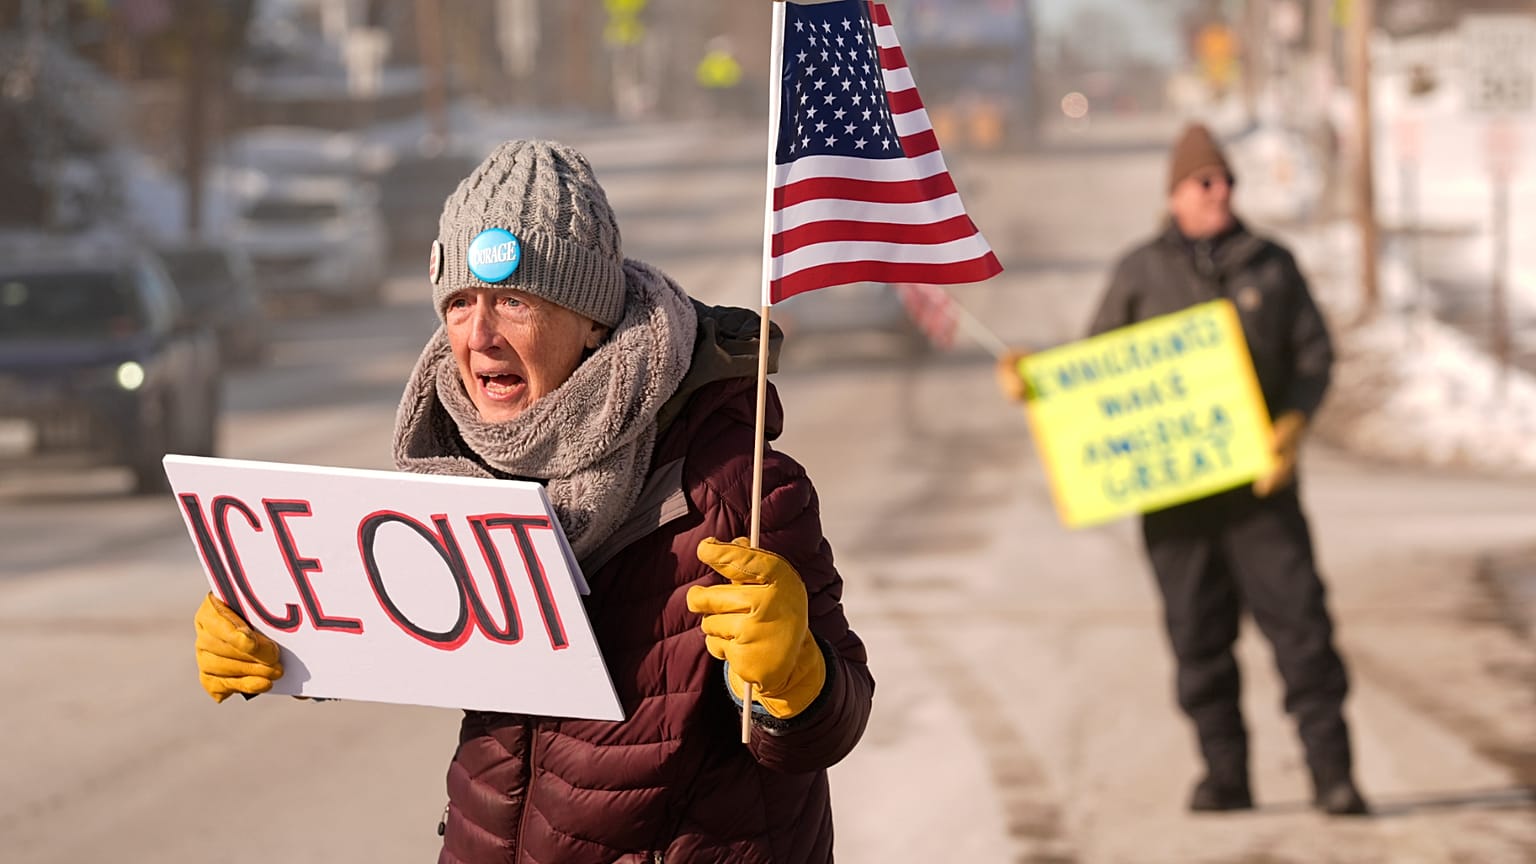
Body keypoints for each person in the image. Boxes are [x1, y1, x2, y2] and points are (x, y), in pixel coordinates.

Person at [192, 138, 875, 861]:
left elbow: (832, 725)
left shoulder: (734, 483)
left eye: (512, 300)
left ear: (590, 320)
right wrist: (284, 630)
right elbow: (405, 632)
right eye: (459, 302)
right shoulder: (459, 469)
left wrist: (794, 676)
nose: (479, 335)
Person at [997, 122, 1367, 816]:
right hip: (1174, 499)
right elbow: (1097, 375)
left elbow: (1314, 358)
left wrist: (1292, 424)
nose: (1220, 190)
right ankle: (1225, 776)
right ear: (1176, 193)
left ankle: (1333, 776)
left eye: (1226, 179)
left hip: (1263, 493)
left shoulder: (1272, 265)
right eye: (1206, 180)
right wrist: (1037, 382)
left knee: (1302, 631)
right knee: (1198, 637)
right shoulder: (1140, 272)